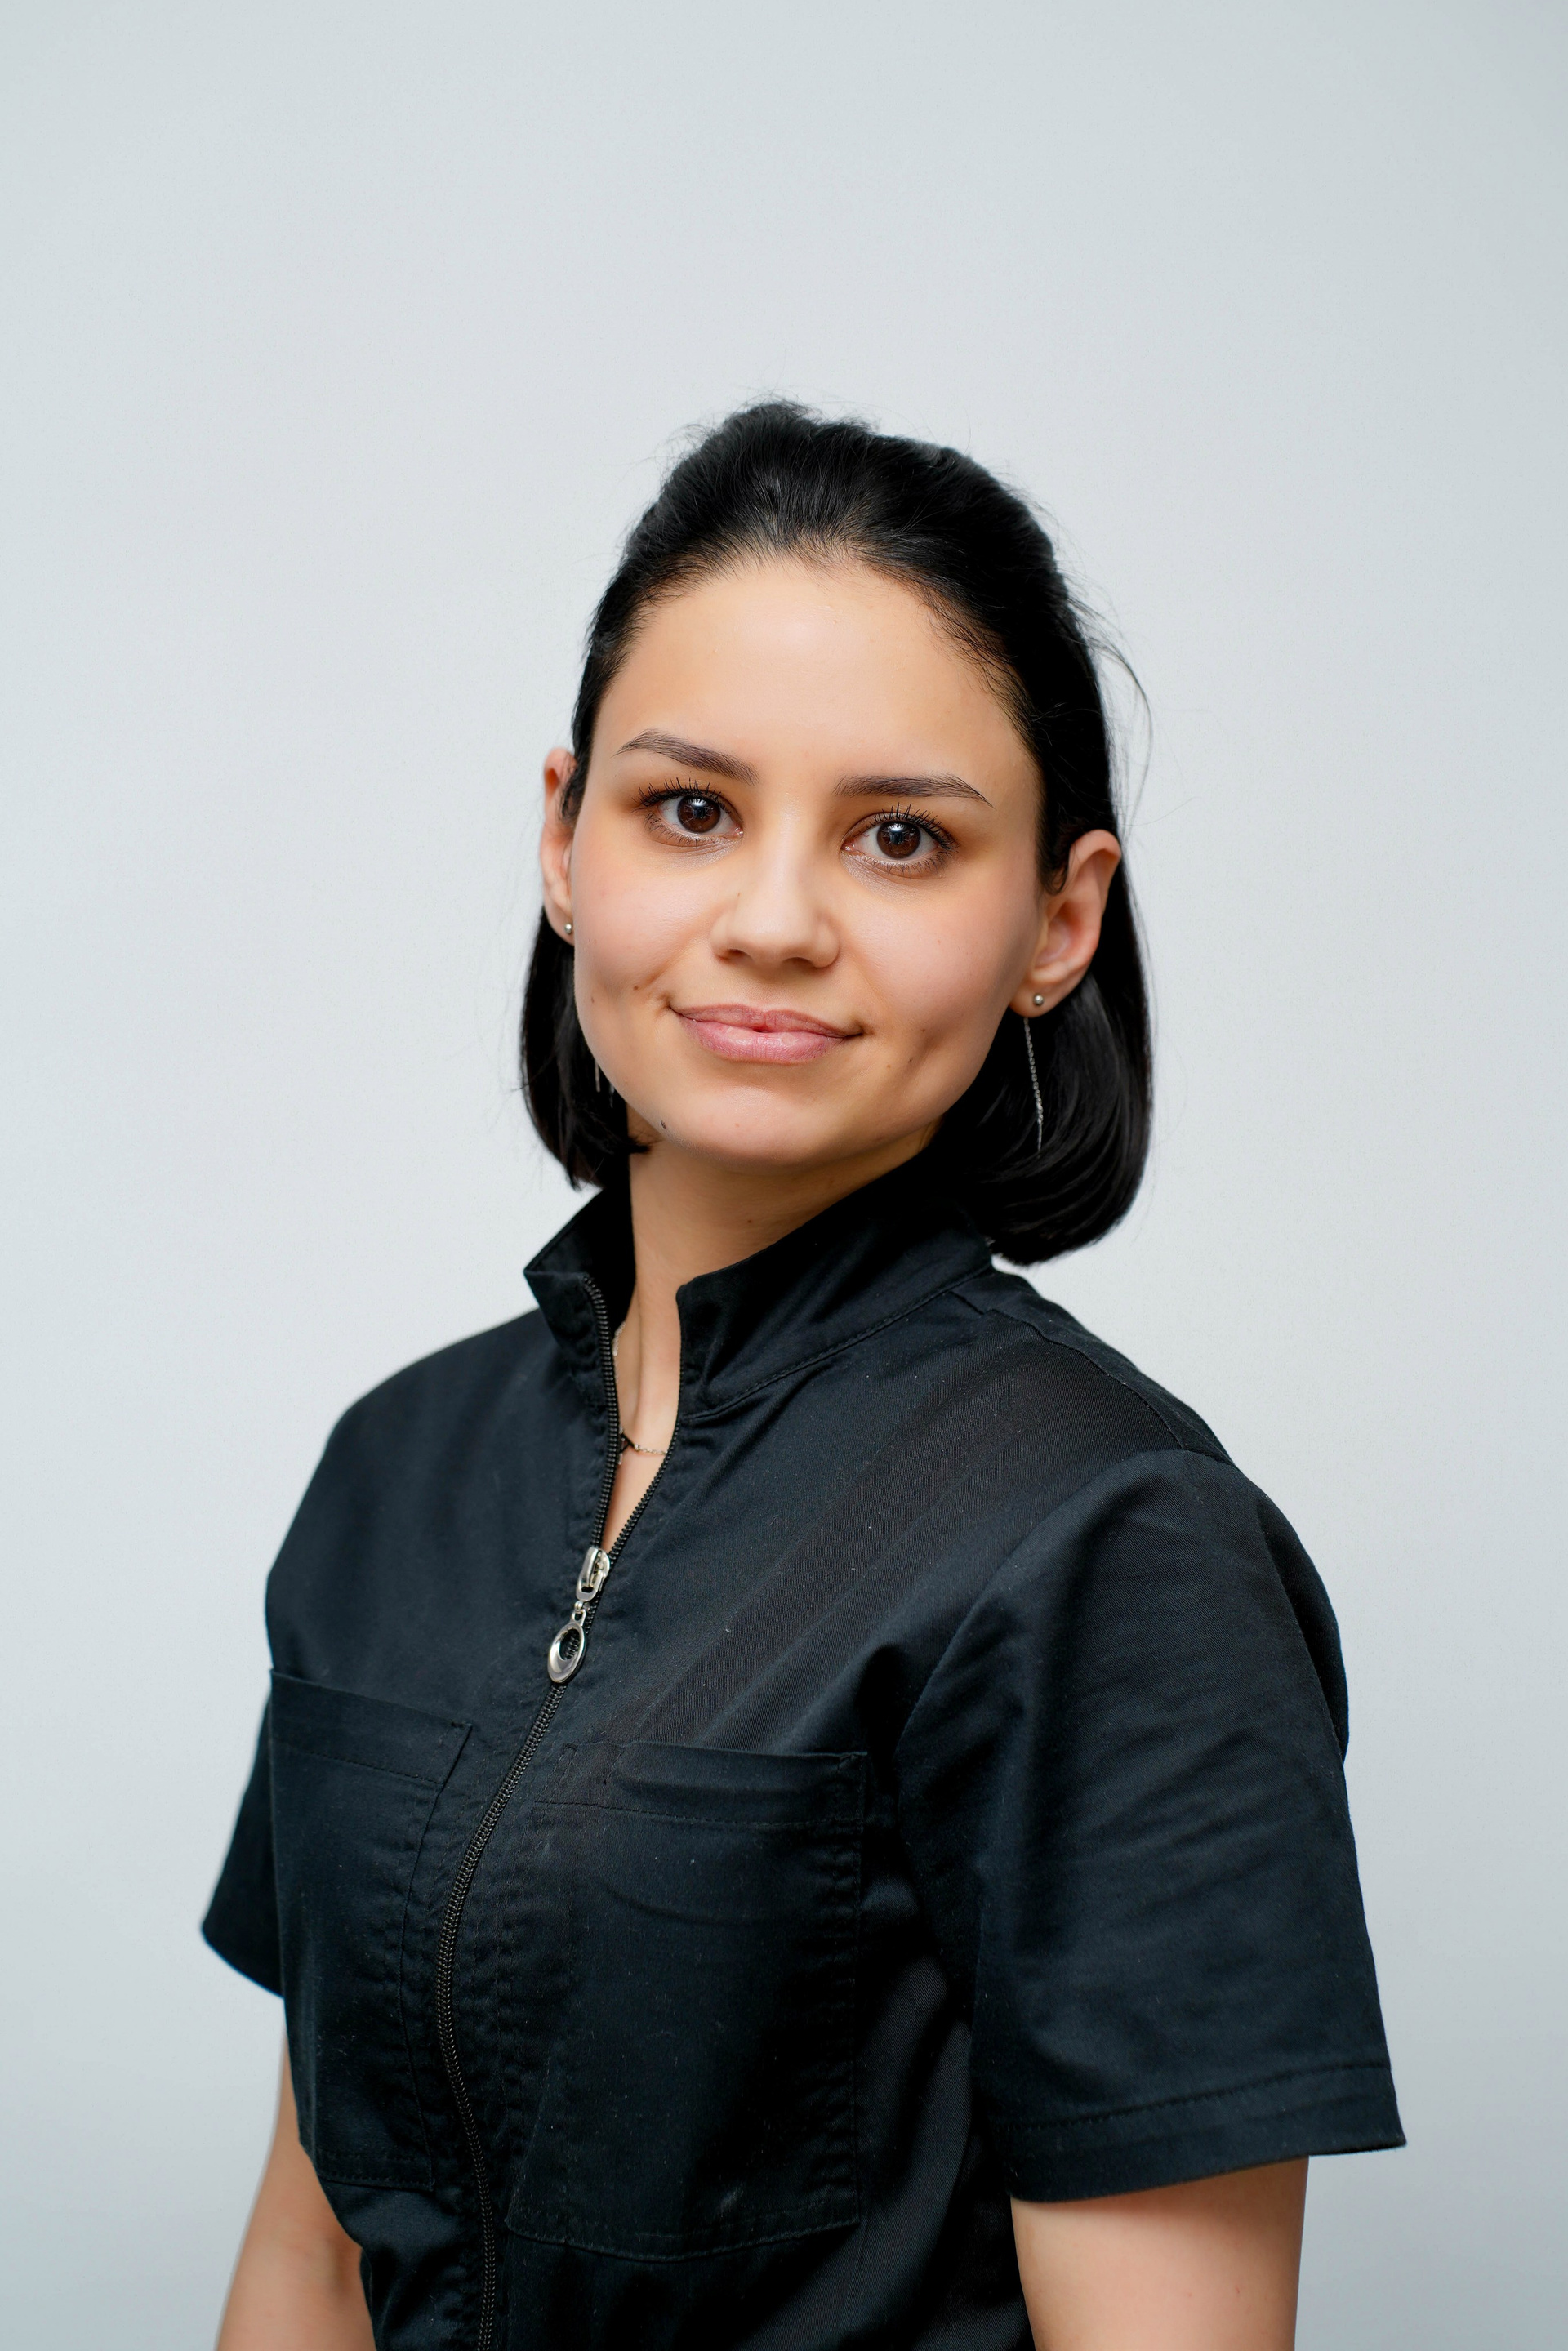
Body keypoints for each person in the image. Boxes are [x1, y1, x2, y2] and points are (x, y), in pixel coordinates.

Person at [204, 403, 1401, 2351]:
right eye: (689, 810)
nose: (772, 920)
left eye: (902, 837)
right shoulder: (395, 1473)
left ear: (1060, 918)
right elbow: (315, 2254)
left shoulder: (1116, 1543)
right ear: (563, 841)